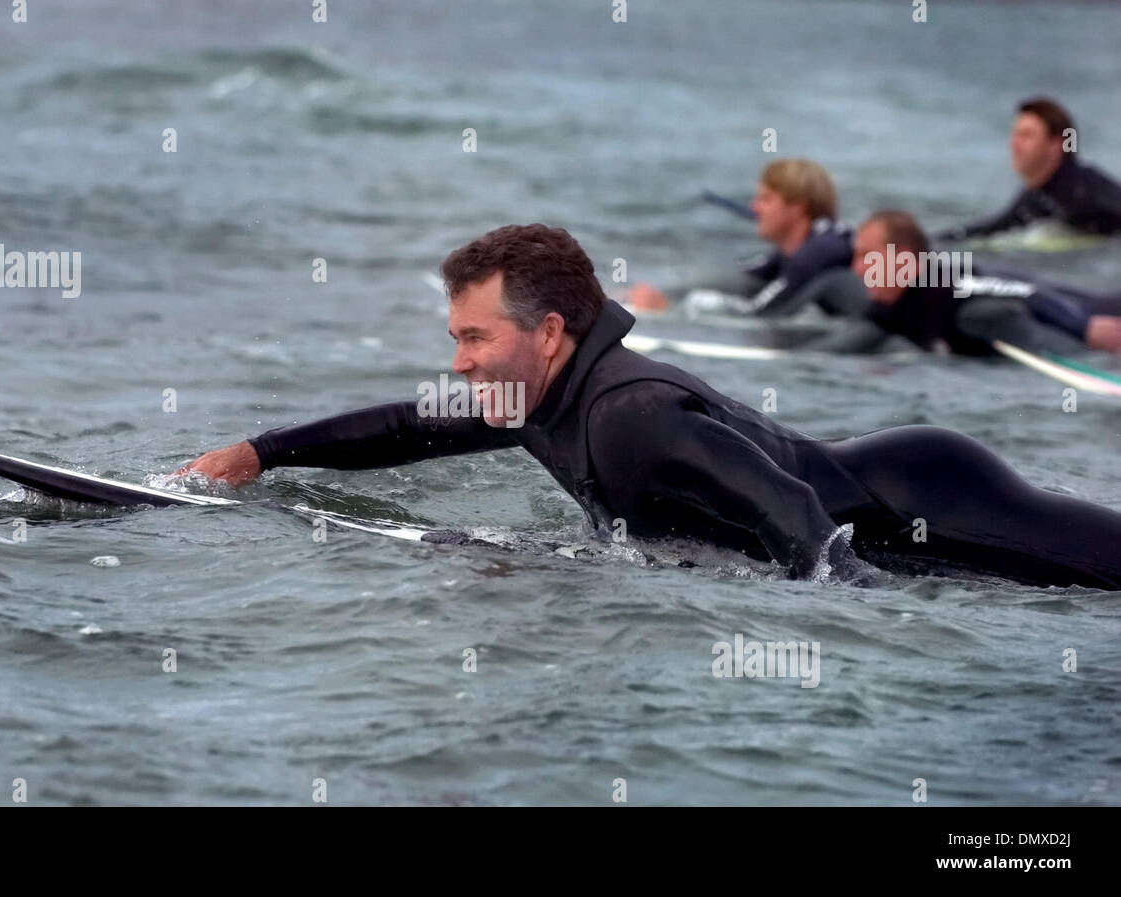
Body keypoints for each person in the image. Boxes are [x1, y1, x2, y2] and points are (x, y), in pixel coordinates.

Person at [180, 224, 1121, 589]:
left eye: (473, 339)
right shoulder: (536, 397)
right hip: (878, 512)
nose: (457, 363)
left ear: (547, 332)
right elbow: (405, 427)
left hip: (923, 502)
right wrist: (261, 453)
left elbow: (790, 510)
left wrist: (865, 621)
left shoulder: (632, 412)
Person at [809, 210, 1121, 355]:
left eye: (867, 256)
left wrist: (1084, 329)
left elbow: (1025, 293)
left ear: (902, 260)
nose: (857, 267)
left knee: (983, 316)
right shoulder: (890, 304)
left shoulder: (942, 284)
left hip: (1093, 311)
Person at [625, 158, 867, 318]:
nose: (755, 207)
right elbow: (736, 280)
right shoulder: (798, 250)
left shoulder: (820, 251)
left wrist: (670, 310)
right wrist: (662, 293)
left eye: (766, 199)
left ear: (798, 208)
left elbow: (764, 312)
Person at [936, 97, 1121, 242]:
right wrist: (931, 242)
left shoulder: (1083, 192)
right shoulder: (1038, 197)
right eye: (1015, 134)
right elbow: (991, 230)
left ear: (1057, 144)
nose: (1014, 145)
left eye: (1027, 136)